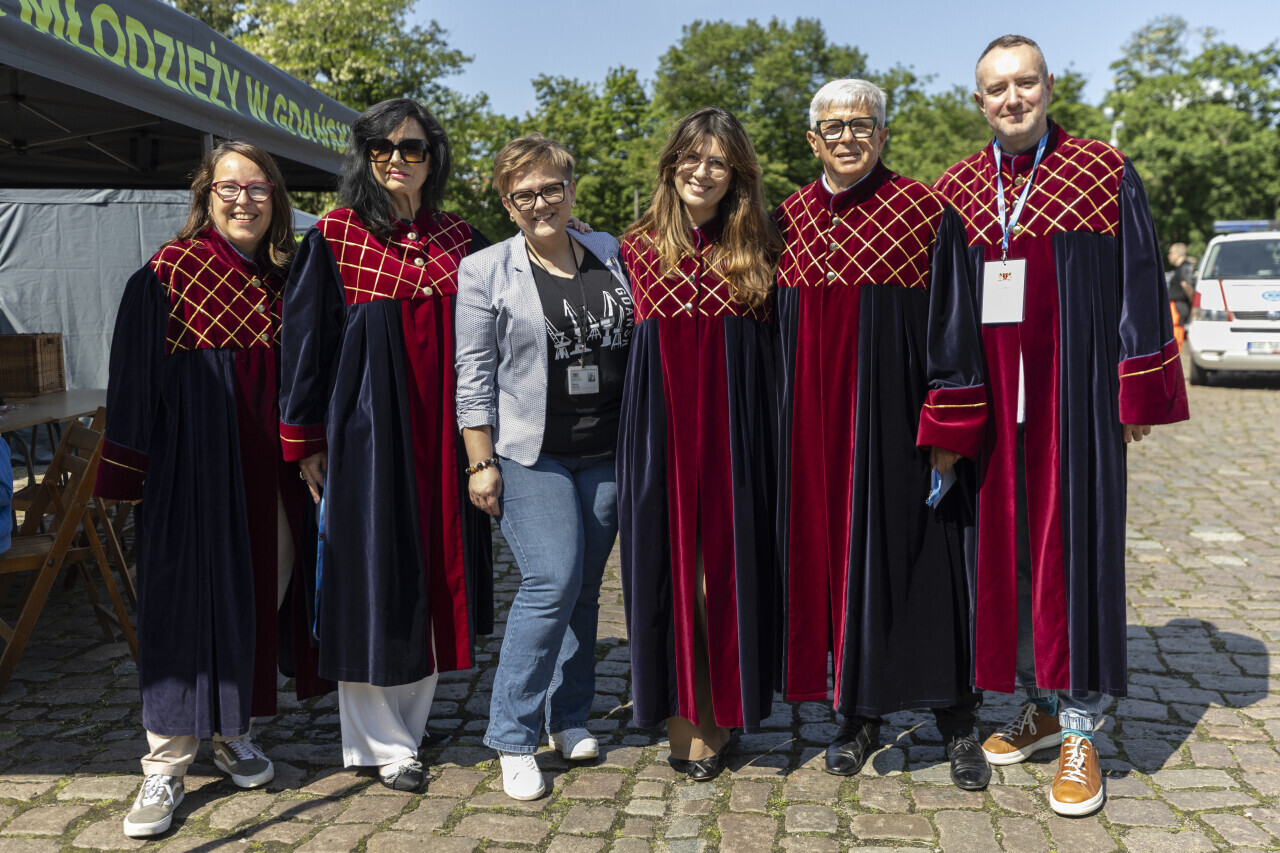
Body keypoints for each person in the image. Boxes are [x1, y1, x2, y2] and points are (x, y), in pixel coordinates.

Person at [933, 35, 1189, 816]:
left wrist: (1135, 393)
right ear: (978, 101)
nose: (1012, 98)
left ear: (1049, 85)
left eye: (1025, 82)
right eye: (997, 88)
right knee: (1005, 560)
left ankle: (1079, 728)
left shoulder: (1101, 173)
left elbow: (1140, 281)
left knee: (1073, 556)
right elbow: (942, 311)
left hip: (1072, 404)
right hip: (989, 411)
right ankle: (1039, 702)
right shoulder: (958, 190)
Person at [96, 141, 326, 837]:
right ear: (206, 195)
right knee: (182, 608)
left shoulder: (287, 277)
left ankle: (232, 729)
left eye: (257, 187)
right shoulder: (167, 274)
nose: (243, 200)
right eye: (229, 187)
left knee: (261, 591)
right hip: (189, 469)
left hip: (270, 472)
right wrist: (128, 473)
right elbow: (131, 382)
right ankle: (166, 763)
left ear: (276, 198)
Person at [774, 79, 990, 790]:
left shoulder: (926, 212)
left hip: (901, 429)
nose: (848, 137)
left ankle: (957, 719)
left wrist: (948, 424)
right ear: (813, 140)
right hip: (814, 437)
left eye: (862, 125)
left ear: (883, 135)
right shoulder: (787, 220)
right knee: (842, 572)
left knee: (926, 567)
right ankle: (858, 714)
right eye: (833, 127)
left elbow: (955, 321)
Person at [279, 98, 493, 793]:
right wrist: (305, 439)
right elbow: (305, 343)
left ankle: (411, 724)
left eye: (413, 147)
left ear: (435, 157)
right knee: (372, 573)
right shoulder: (334, 235)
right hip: (366, 433)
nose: (397, 159)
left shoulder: (462, 238)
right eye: (382, 148)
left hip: (445, 434)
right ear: (366, 156)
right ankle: (381, 740)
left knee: (431, 567)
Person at [455, 133, 631, 801]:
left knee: (584, 588)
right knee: (550, 579)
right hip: (530, 451)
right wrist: (480, 461)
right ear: (507, 204)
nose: (539, 202)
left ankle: (570, 715)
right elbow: (473, 373)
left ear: (571, 189)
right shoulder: (485, 270)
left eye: (551, 188)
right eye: (522, 194)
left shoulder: (610, 251)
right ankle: (512, 735)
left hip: (607, 448)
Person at [617, 106, 783, 782]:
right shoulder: (632, 249)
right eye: (692, 157)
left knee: (721, 581)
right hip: (657, 433)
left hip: (736, 434)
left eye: (718, 161)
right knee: (670, 579)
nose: (703, 171)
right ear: (671, 164)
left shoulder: (763, 246)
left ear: (737, 173)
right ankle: (686, 722)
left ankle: (722, 713)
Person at [1167, 242, 1195, 347]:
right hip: (1176, 305)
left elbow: (1186, 286)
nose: (1169, 256)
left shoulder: (1184, 266)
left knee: (1176, 331)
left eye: (1171, 253)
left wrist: (1193, 303)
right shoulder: (1180, 268)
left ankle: (1176, 354)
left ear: (1178, 253)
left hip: (1178, 306)